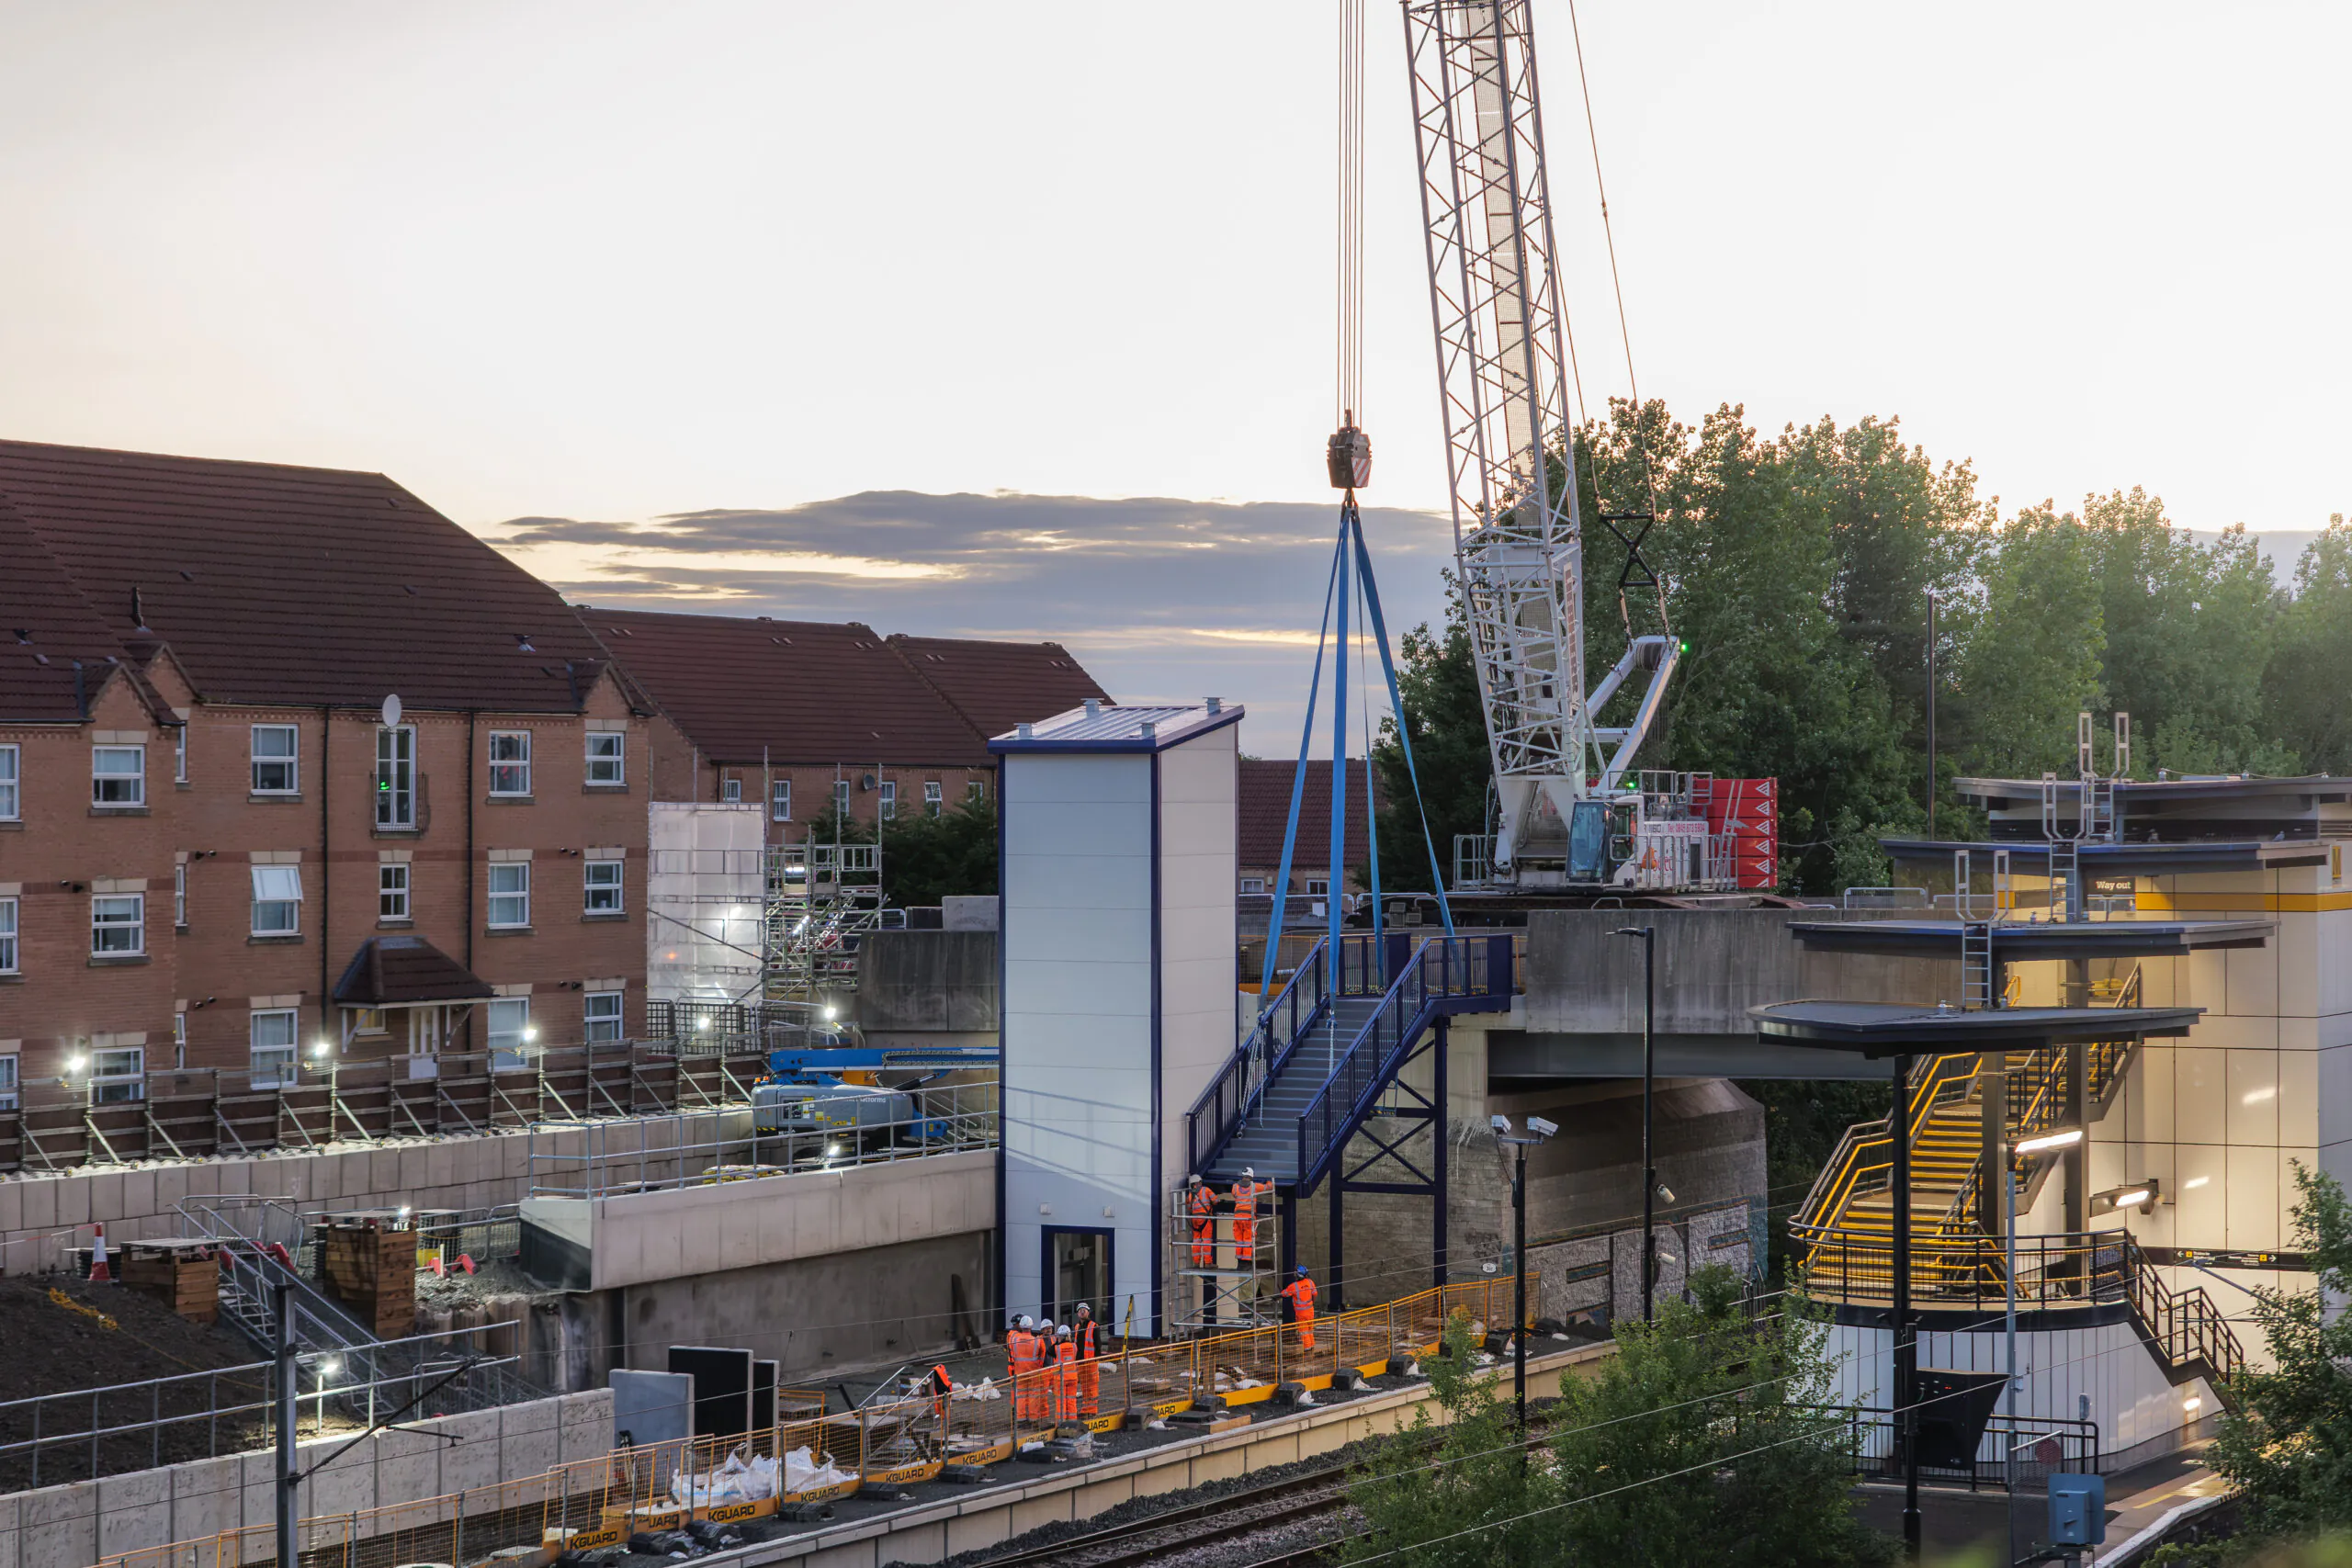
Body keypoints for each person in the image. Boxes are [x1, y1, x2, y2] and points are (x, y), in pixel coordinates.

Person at [1231, 1167, 1271, 1262]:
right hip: (1248, 1217)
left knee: (1239, 1240)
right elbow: (1268, 1187)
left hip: (1237, 1217)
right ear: (1251, 1176)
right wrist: (1269, 1181)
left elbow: (1234, 1194)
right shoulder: (1254, 1186)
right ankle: (1246, 1261)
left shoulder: (1235, 1187)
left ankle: (1240, 1262)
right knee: (1248, 1239)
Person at [1006, 1315, 1037, 1426]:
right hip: (1023, 1369)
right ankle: (1024, 1416)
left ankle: (1019, 1416)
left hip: (1017, 1369)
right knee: (1025, 1394)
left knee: (1019, 1394)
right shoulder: (1018, 1337)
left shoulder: (1013, 1336)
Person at [1072, 1303, 1101, 1419]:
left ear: (1088, 1312)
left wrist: (1096, 1359)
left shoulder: (1094, 1326)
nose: (1082, 1312)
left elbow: (1098, 1345)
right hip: (1081, 1361)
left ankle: (1092, 1410)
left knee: (1092, 1386)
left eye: (1084, 1310)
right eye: (1080, 1310)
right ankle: (1085, 1409)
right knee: (1084, 1387)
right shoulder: (1077, 1327)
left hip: (1091, 1361)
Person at [1281, 1266, 1317, 1352]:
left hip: (1301, 1313)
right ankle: (1312, 1345)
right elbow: (1315, 1294)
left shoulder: (1294, 1286)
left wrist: (1275, 1296)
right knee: (1310, 1329)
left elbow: (1284, 1294)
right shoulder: (1310, 1282)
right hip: (1310, 1311)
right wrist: (1312, 1303)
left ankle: (1307, 1348)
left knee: (1304, 1331)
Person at [1187, 1174, 1216, 1269]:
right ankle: (1208, 1263)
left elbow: (1189, 1207)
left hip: (1194, 1220)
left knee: (1196, 1241)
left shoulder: (1191, 1194)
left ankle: (1196, 1263)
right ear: (1199, 1182)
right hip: (1204, 1219)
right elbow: (1215, 1200)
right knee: (1206, 1240)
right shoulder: (1206, 1190)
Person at [1053, 1325, 1079, 1424]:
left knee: (1061, 1401)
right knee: (1071, 1400)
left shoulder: (1056, 1348)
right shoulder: (1074, 1346)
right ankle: (1072, 1421)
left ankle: (1061, 1422)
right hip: (1073, 1377)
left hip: (1061, 1379)